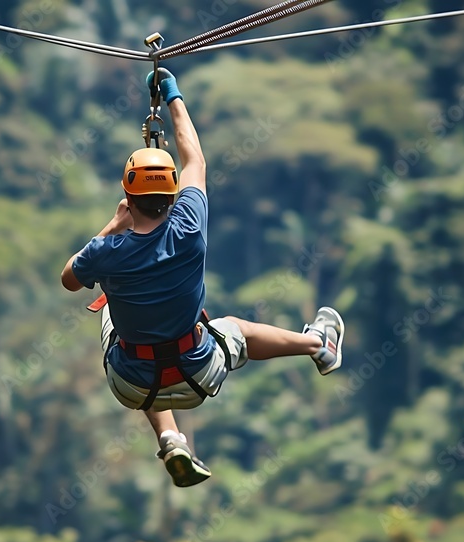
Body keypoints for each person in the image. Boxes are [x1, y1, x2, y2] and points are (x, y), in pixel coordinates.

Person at [60, 67, 345, 487]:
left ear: (128, 196)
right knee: (236, 329)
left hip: (132, 385)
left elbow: (69, 278)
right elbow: (194, 157)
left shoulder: (106, 253)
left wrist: (113, 226)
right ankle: (321, 345)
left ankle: (170, 436)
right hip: (199, 373)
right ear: (173, 194)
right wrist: (172, 92)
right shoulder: (189, 226)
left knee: (114, 320)